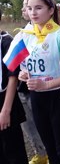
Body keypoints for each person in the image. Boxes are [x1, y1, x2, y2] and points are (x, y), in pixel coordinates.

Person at [18, 0, 60, 164]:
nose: (33, 12)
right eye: (29, 8)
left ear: (51, 10)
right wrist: (23, 74)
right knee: (49, 148)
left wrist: (47, 84)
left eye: (38, 8)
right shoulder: (26, 35)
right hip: (36, 98)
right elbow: (24, 67)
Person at [18, 0, 48, 164]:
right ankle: (40, 153)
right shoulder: (22, 34)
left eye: (33, 7)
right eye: (26, 7)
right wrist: (21, 72)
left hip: (43, 90)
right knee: (28, 125)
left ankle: (50, 152)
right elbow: (16, 62)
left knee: (43, 125)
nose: (28, 10)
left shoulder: (51, 33)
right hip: (23, 89)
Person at [0, 29, 28, 164]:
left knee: (12, 150)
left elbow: (13, 77)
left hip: (5, 103)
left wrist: (5, 111)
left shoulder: (6, 41)